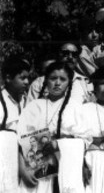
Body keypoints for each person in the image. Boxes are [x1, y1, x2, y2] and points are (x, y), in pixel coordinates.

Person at [18, 61, 90, 192]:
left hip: (66, 167)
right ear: (46, 80)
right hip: (37, 167)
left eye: (62, 79)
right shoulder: (34, 106)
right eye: (53, 78)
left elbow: (85, 141)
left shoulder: (75, 107)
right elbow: (20, 140)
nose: (57, 83)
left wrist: (60, 145)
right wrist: (23, 170)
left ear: (69, 83)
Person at [27, 42, 94, 104]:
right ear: (58, 55)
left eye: (74, 54)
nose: (70, 57)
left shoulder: (86, 83)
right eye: (65, 53)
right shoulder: (40, 82)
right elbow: (30, 111)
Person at [0, 56, 30, 192]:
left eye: (28, 78)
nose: (27, 82)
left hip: (18, 154)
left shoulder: (24, 101)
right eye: (22, 78)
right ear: (8, 78)